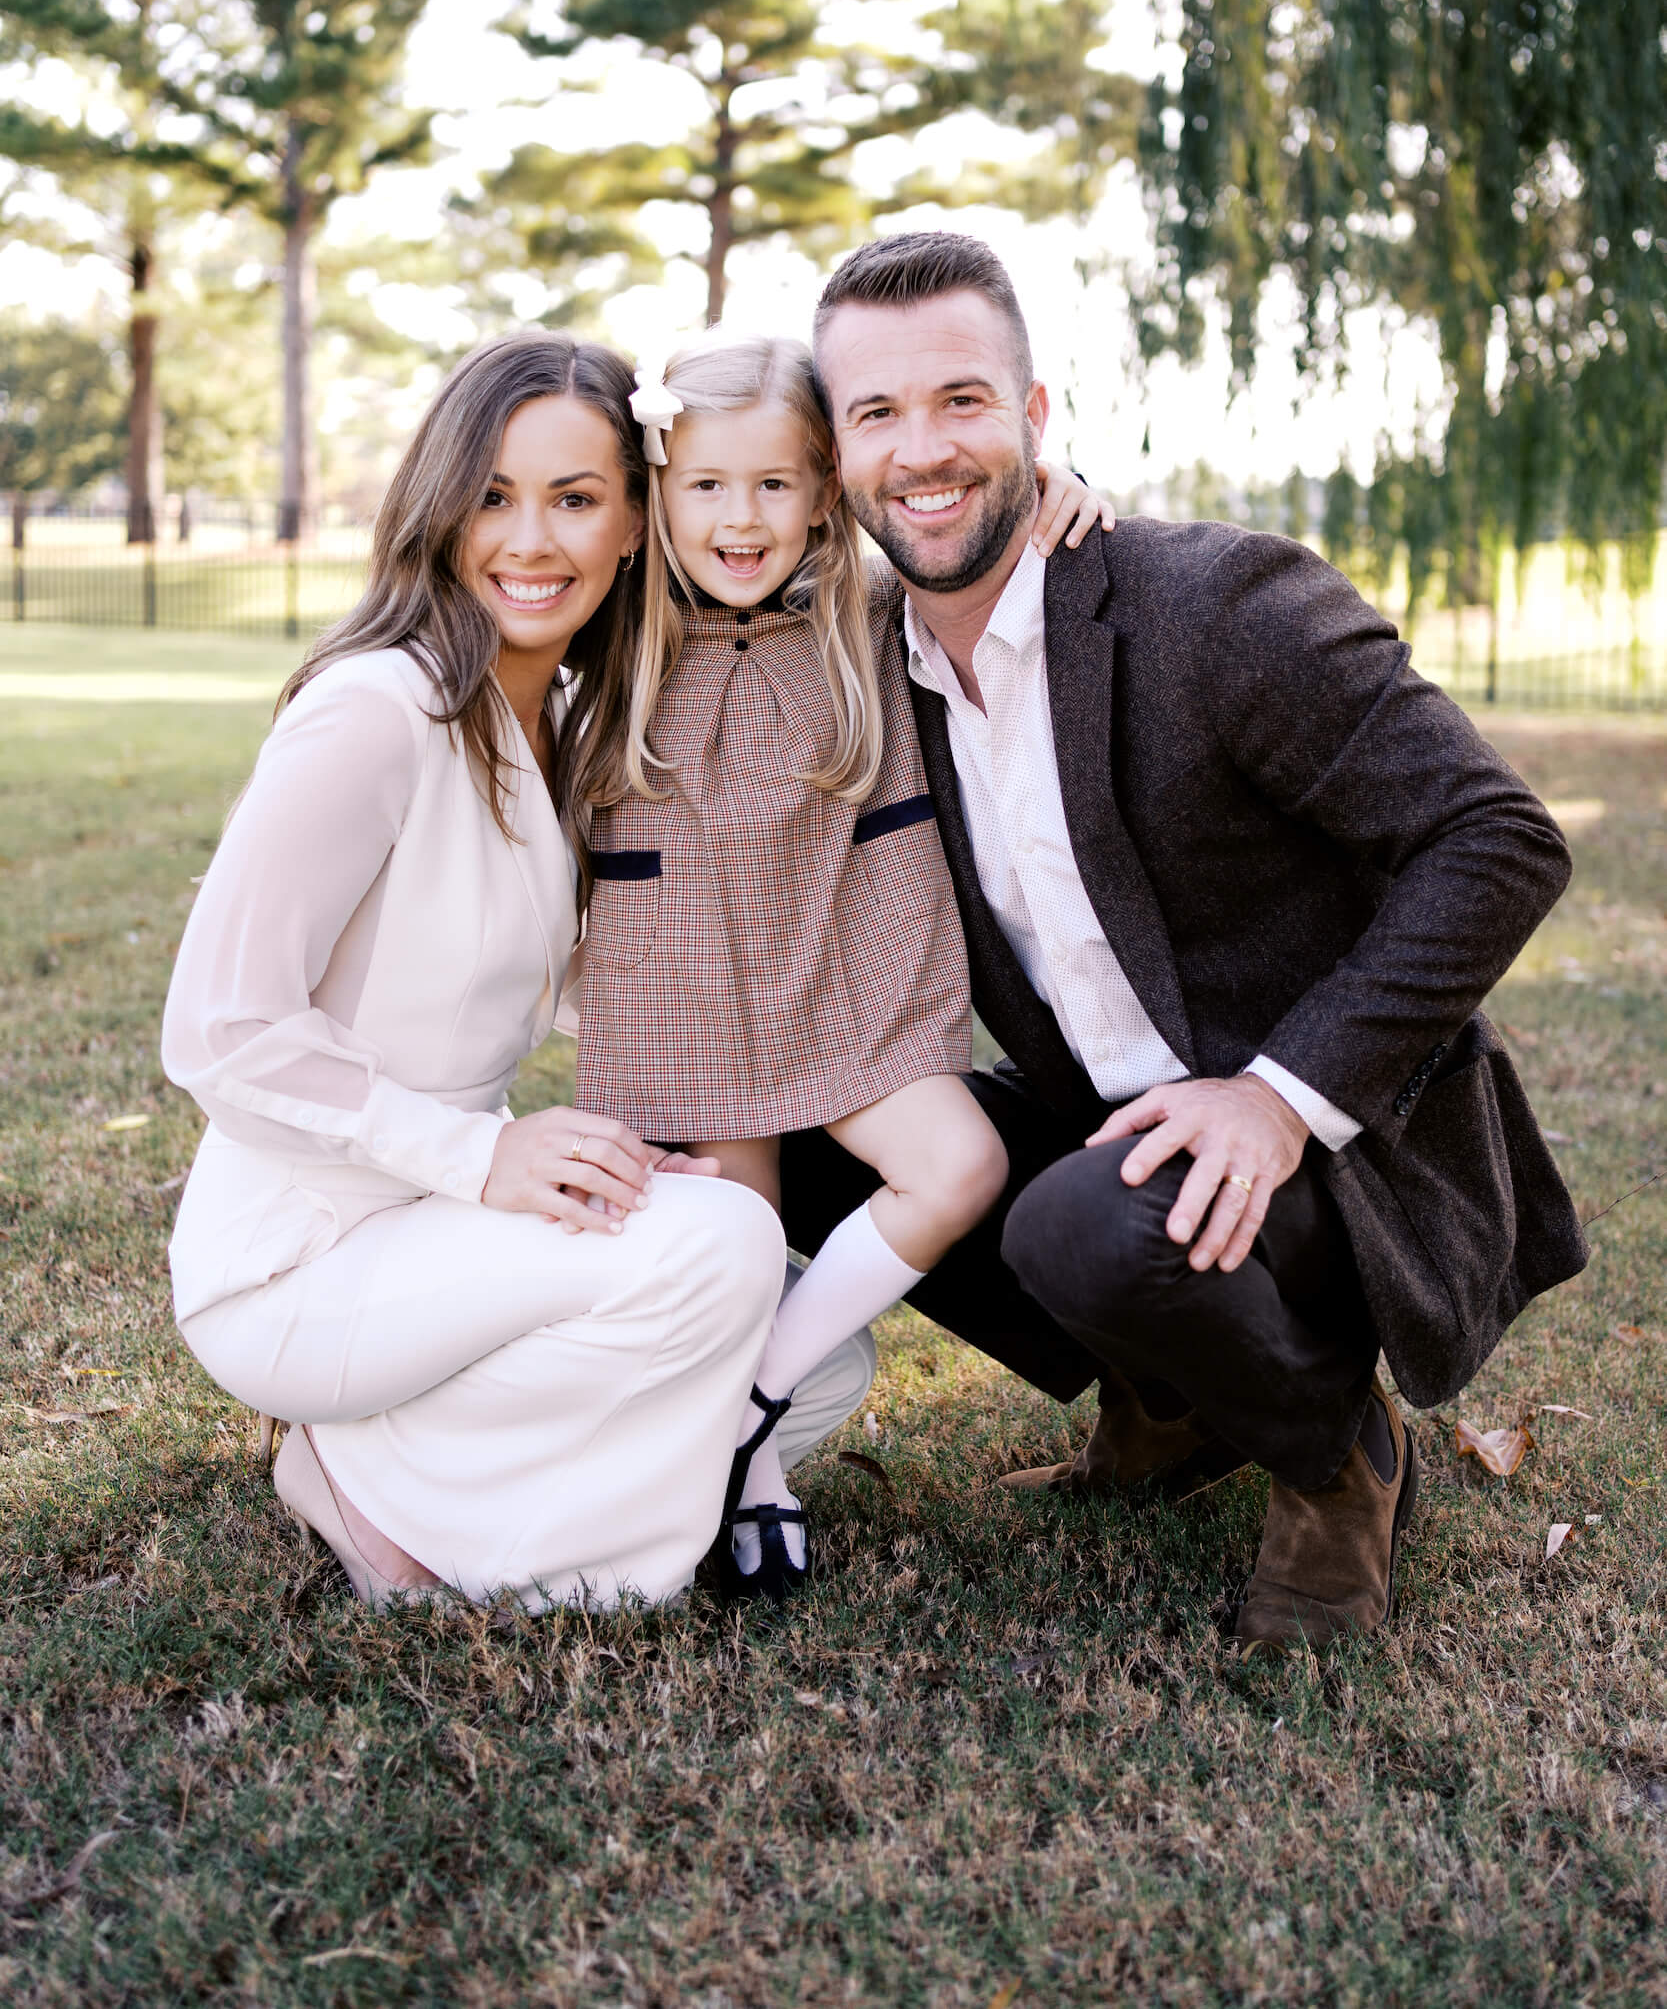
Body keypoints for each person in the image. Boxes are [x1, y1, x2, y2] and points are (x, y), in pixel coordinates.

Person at [781, 229, 1585, 1651]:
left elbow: (1497, 840)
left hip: (1333, 1159)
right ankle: (1168, 1404)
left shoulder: (1210, 607)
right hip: (1111, 1127)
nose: (921, 450)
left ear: (1033, 418)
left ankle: (1335, 1452)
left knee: (1083, 1219)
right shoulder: (856, 660)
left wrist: (1275, 1101)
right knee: (795, 1130)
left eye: (961, 400)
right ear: (835, 455)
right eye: (876, 415)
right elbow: (674, 578)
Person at [160, 333, 874, 1614]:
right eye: (493, 495)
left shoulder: (559, 724)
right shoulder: (379, 709)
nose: (530, 539)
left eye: (576, 498)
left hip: (439, 1230)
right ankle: (384, 1489)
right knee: (721, 1253)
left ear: (633, 527)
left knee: (812, 1349)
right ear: (440, 510)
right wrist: (481, 1157)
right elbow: (218, 1029)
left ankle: (418, 1475)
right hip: (302, 1259)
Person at [574, 334, 1110, 1598]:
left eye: (773, 482)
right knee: (730, 1251)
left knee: (959, 1162)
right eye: (705, 484)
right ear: (658, 492)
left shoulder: (874, 611)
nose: (741, 516)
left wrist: (1059, 487)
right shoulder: (621, 633)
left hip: (851, 982)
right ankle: (753, 1473)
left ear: (824, 488)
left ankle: (760, 1396)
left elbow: (983, 539)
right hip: (689, 1001)